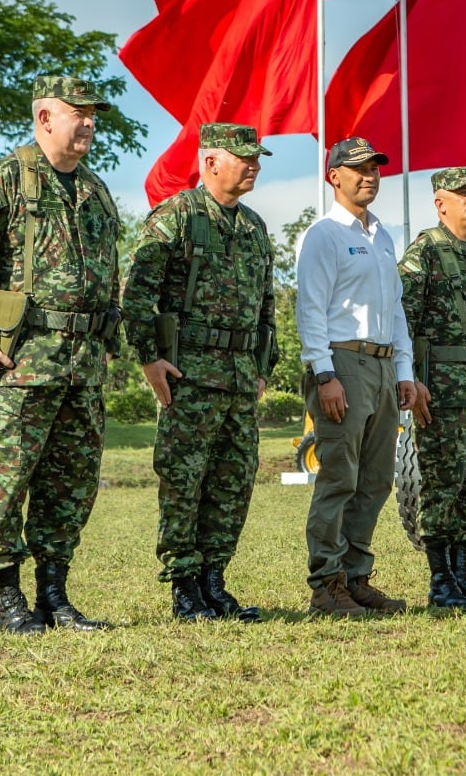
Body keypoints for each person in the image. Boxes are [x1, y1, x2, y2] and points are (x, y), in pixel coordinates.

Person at [0, 75, 121, 634]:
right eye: (78, 112)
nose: (89, 122)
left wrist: (106, 344)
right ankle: (9, 601)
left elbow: (109, 274)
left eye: (93, 114)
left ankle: (54, 596)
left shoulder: (94, 190)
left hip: (80, 368)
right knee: (7, 483)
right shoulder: (3, 183)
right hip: (19, 366)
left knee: (70, 487)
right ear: (45, 117)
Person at [120, 124, 278, 622]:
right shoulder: (178, 216)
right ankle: (184, 586)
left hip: (237, 377)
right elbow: (137, 293)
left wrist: (261, 365)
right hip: (188, 374)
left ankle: (215, 580)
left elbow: (266, 304)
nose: (253, 165)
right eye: (242, 157)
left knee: (233, 480)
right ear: (210, 162)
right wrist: (149, 357)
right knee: (185, 481)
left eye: (256, 158)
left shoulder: (253, 226)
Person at [296, 137, 421, 617]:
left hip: (384, 364)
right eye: (358, 168)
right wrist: (324, 373)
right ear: (335, 176)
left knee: (375, 479)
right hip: (343, 362)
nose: (369, 175)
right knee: (339, 477)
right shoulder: (323, 234)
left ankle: (355, 576)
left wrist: (404, 371)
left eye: (375, 167)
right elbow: (311, 309)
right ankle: (327, 585)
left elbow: (396, 311)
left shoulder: (383, 236)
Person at [399, 167, 466, 612]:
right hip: (441, 392)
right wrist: (413, 380)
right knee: (443, 485)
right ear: (440, 203)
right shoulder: (424, 251)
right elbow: (401, 319)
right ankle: (440, 583)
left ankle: (461, 578)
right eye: (462, 193)